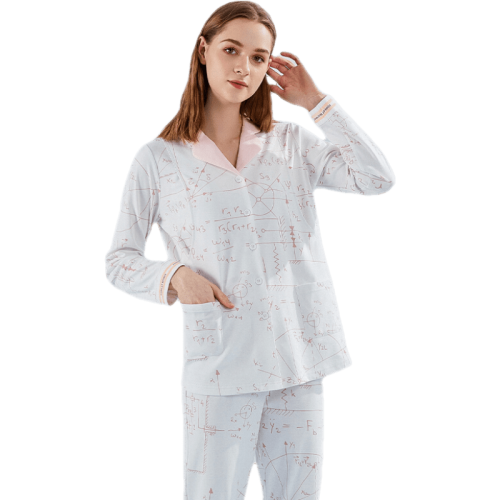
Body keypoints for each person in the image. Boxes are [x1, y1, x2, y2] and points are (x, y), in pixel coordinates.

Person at [104, 2, 395, 498]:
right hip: (222, 361)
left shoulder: (291, 144)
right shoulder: (158, 159)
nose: (244, 67)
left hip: (299, 356)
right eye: (231, 50)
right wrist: (174, 277)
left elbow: (377, 179)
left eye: (258, 58)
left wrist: (316, 102)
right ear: (203, 51)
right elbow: (119, 260)